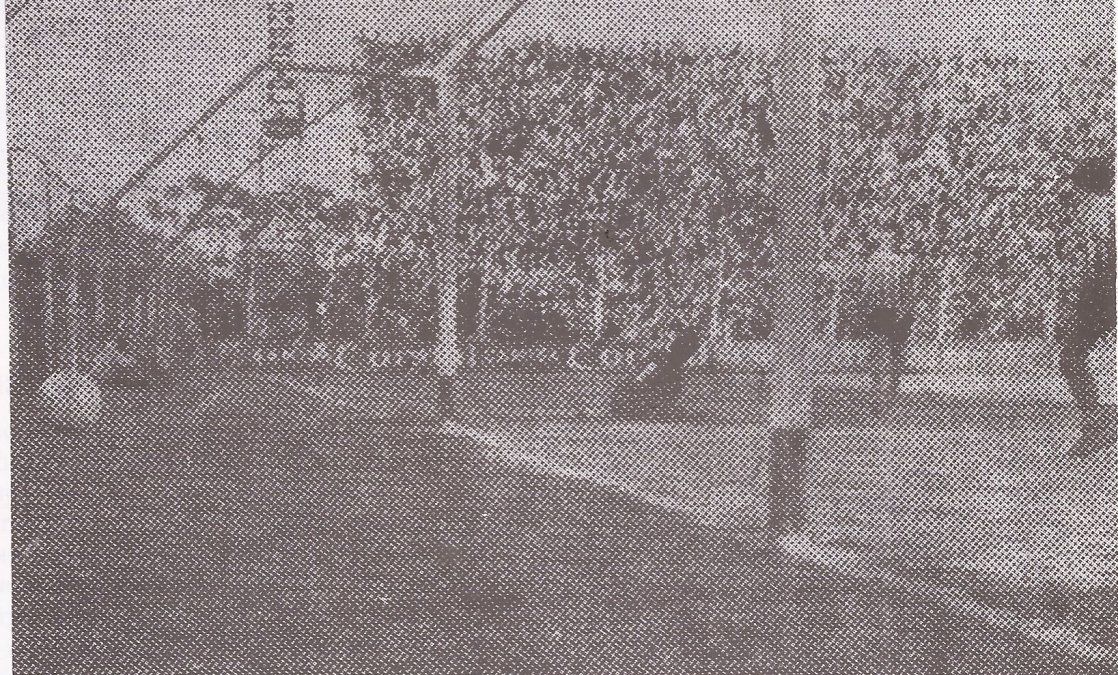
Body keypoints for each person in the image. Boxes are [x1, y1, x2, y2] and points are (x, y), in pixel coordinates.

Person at [1056, 156, 1117, 458]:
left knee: (1071, 357)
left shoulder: (1093, 212)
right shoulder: (1108, 208)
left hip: (1101, 294)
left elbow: (1093, 264)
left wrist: (1076, 303)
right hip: (1106, 292)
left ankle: (1096, 425)